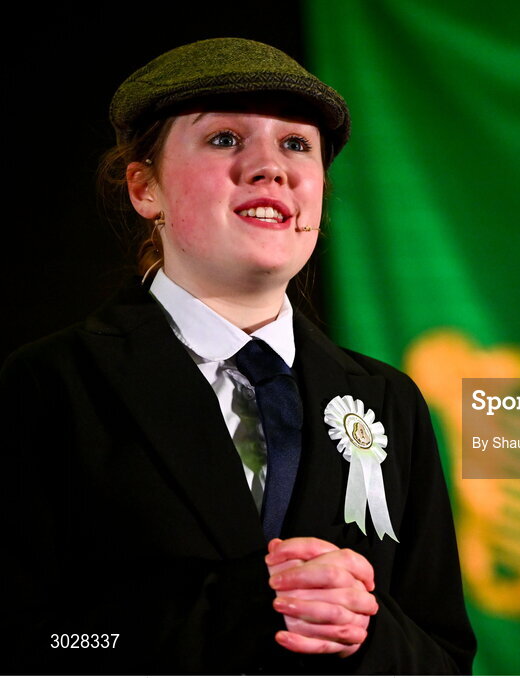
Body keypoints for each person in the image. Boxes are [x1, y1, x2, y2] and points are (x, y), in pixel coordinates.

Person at [0, 38, 475, 674]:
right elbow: (38, 649)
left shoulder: (389, 399)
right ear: (145, 188)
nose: (270, 168)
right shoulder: (48, 385)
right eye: (225, 138)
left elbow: (444, 662)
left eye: (296, 144)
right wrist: (244, 607)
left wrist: (362, 627)